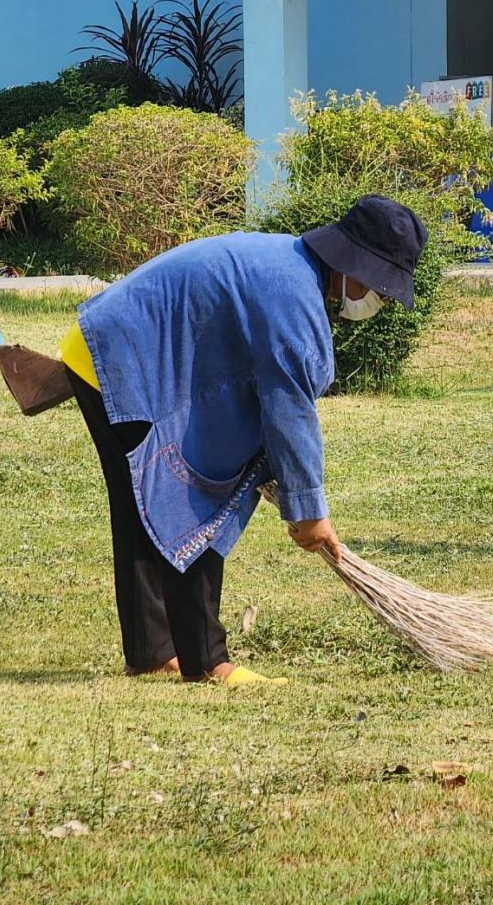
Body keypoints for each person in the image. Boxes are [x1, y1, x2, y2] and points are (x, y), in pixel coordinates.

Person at [60, 196, 427, 683]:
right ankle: (208, 662)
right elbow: (289, 414)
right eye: (378, 286)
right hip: (119, 363)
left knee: (138, 507)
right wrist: (310, 512)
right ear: (351, 267)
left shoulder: (293, 268)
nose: (374, 298)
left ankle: (150, 651)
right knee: (189, 496)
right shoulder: (294, 303)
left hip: (97, 349)